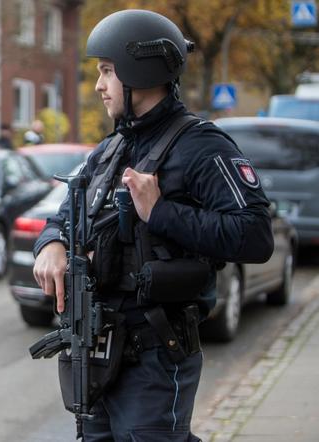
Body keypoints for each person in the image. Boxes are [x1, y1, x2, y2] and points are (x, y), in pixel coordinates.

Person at [32, 9, 273, 441]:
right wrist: (52, 244)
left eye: (107, 71)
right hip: (97, 349)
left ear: (138, 70)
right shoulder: (111, 148)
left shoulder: (202, 146)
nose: (99, 86)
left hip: (155, 353)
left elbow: (255, 234)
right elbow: (64, 216)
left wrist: (161, 211)